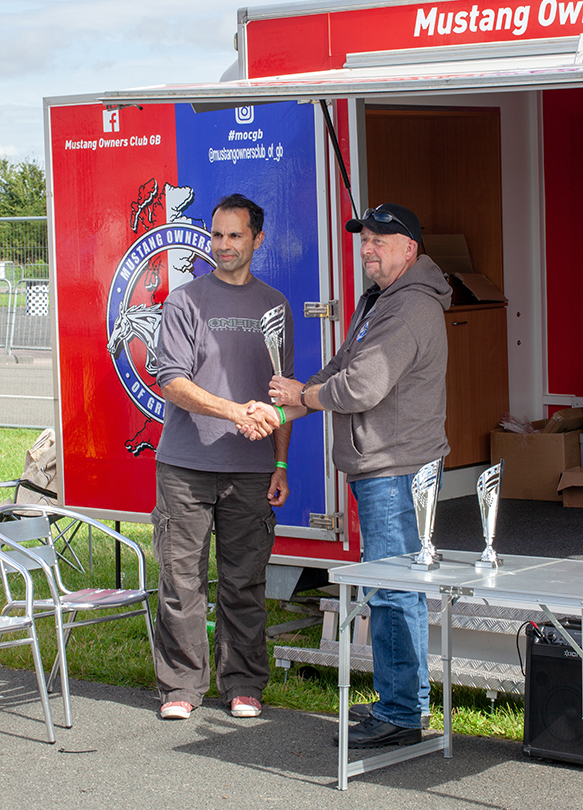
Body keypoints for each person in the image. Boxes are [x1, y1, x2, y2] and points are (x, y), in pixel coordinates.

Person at [268, 202, 451, 749]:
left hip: (396, 468)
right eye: (364, 239)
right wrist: (299, 397)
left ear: (409, 249)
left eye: (380, 241)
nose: (367, 249)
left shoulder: (409, 307)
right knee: (393, 587)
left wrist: (304, 398)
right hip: (387, 465)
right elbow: (344, 363)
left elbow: (361, 386)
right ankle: (404, 700)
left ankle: (401, 715)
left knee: (393, 590)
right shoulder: (381, 298)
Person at [152, 193, 293, 721]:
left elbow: (283, 396)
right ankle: (181, 686)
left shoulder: (275, 306)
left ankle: (243, 684)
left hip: (251, 470)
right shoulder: (185, 301)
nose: (224, 245)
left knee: (244, 582)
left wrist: (280, 464)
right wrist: (234, 411)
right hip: (185, 466)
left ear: (258, 238)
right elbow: (171, 381)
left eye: (235, 235)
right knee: (180, 581)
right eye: (217, 235)